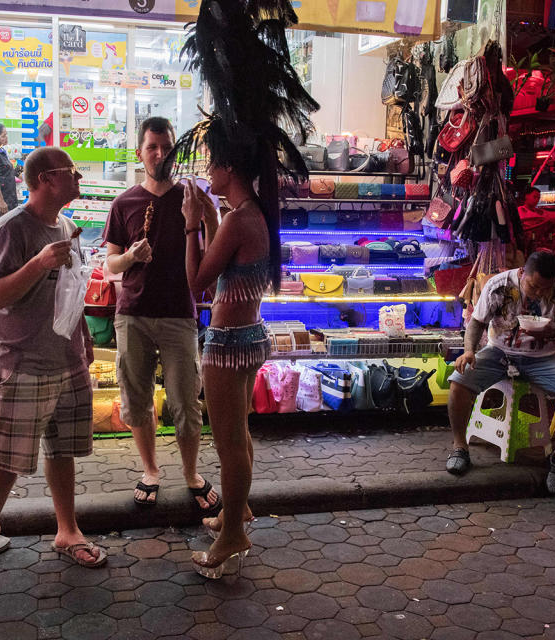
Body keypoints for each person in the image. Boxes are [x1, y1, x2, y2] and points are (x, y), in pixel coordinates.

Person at [167, 0, 318, 579]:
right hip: (247, 334)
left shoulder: (237, 218)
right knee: (241, 435)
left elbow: (198, 281)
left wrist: (190, 222)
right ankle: (241, 508)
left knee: (229, 441)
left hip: (229, 342)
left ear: (230, 165)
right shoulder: (248, 214)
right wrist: (208, 215)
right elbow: (224, 265)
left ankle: (231, 533)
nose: (206, 167)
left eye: (211, 161)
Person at [0, 147, 105, 574]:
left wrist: (85, 339)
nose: (77, 177)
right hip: (21, 361)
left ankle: (67, 529)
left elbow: (71, 293)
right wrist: (38, 263)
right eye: (69, 172)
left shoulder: (70, 228)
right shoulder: (12, 229)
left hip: (67, 360)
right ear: (43, 179)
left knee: (62, 450)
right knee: (7, 454)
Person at [103, 116, 219, 512]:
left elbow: (207, 256)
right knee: (137, 399)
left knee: (186, 399)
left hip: (178, 314)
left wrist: (206, 217)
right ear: (140, 153)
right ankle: (150, 470)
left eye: (166, 147)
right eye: (152, 147)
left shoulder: (190, 198)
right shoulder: (125, 203)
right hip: (132, 313)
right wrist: (131, 257)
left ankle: (191, 473)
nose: (159, 154)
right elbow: (109, 267)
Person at [445, 251, 555, 495]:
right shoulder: (499, 285)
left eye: (544, 289)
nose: (538, 293)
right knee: (459, 382)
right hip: (499, 353)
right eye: (533, 286)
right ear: (522, 273)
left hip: (542, 359)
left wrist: (552, 333)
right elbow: (477, 322)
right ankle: (460, 447)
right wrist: (470, 351)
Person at [0, 122, 18, 215]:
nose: (6, 137)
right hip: (3, 202)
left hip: (9, 199)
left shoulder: (2, 151)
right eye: (3, 135)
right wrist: (1, 201)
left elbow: (8, 169)